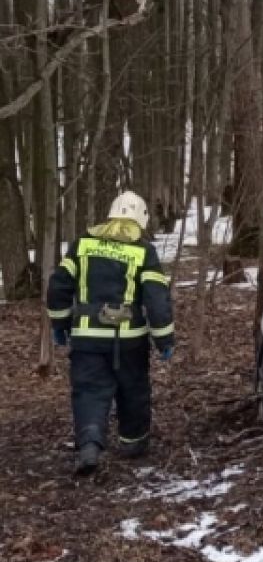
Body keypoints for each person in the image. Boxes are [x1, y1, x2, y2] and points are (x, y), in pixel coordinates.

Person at [45, 191, 175, 476]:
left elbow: (58, 287)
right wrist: (164, 339)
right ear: (141, 219)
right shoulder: (143, 251)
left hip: (87, 339)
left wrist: (59, 325)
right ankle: (133, 443)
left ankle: (90, 444)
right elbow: (156, 298)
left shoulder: (82, 245)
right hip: (130, 342)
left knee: (89, 392)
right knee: (134, 390)